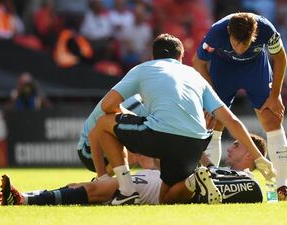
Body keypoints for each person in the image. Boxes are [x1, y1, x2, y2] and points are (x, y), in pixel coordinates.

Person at [90, 33, 275, 205]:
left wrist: (138, 120)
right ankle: (191, 183)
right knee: (166, 198)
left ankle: (126, 190)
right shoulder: (194, 75)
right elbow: (231, 121)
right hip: (195, 144)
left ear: (153, 56)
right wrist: (259, 158)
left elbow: (107, 106)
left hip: (161, 136)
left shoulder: (143, 69)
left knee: (104, 122)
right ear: (180, 57)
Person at [0, 134, 267, 206]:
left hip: (163, 187)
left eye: (238, 147)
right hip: (165, 179)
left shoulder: (249, 181)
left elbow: (253, 193)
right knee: (81, 187)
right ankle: (14, 197)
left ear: (253, 157)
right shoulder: (217, 169)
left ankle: (21, 199)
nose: (231, 148)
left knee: (93, 190)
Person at [192, 12, 287, 201]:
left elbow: (281, 58)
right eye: (235, 44)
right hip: (223, 71)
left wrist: (275, 95)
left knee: (272, 118)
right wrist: (211, 99)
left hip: (255, 70)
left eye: (245, 44)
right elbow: (198, 63)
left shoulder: (266, 29)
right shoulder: (216, 32)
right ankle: (209, 188)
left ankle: (281, 190)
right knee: (214, 122)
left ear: (254, 35)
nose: (239, 49)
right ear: (229, 34)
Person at [77, 94, 155, 180]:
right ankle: (100, 182)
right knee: (139, 152)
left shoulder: (150, 105)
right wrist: (102, 176)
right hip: (88, 151)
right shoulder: (133, 105)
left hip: (103, 144)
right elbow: (94, 134)